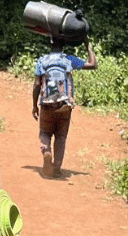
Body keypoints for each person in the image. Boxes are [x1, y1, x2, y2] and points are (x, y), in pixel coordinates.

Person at [31, 38, 97, 178]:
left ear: (50, 45)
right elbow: (93, 64)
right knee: (61, 136)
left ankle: (47, 152)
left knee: (45, 132)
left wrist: (34, 106)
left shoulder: (42, 61)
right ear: (63, 45)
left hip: (47, 105)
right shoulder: (68, 59)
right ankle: (56, 168)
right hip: (64, 106)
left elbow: (37, 84)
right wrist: (88, 45)